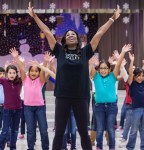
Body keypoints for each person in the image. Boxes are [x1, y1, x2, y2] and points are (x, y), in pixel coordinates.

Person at [28, 2, 120, 149]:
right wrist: (35, 17)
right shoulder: (60, 51)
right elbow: (46, 31)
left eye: (73, 34)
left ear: (78, 39)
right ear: (64, 40)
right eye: (68, 35)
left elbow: (99, 34)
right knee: (59, 132)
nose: (71, 35)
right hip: (63, 96)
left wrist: (112, 18)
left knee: (84, 131)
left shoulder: (85, 52)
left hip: (81, 96)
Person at [90, 44, 132, 150]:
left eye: (105, 68)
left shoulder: (113, 76)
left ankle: (112, 147)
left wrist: (122, 52)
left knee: (110, 129)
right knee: (99, 129)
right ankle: (99, 147)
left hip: (111, 106)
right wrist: (87, 53)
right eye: (101, 68)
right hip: (98, 107)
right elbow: (89, 64)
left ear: (109, 69)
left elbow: (117, 65)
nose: (103, 70)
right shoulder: (96, 76)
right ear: (99, 69)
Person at [10, 48, 50, 150]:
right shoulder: (25, 79)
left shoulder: (41, 80)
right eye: (32, 70)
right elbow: (21, 68)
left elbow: (43, 72)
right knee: (30, 131)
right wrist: (16, 58)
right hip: (28, 108)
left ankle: (45, 147)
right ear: (29, 71)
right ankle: (30, 148)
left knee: (43, 130)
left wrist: (45, 62)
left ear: (38, 73)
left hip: (40, 108)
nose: (33, 72)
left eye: (36, 71)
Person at [126, 52, 144, 150]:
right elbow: (131, 73)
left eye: (142, 75)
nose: (141, 77)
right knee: (134, 130)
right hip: (136, 109)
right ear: (135, 76)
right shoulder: (132, 83)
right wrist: (132, 61)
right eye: (138, 75)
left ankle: (143, 147)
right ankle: (130, 147)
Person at [0, 65, 22, 150]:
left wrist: (21, 64)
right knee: (5, 130)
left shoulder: (19, 81)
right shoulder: (4, 81)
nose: (12, 74)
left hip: (18, 109)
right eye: (10, 73)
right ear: (6, 74)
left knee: (15, 130)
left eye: (14, 73)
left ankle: (13, 147)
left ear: (16, 74)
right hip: (7, 110)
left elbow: (24, 74)